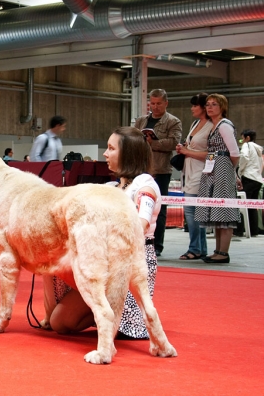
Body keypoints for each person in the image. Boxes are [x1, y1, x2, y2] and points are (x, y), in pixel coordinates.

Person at [42, 126, 160, 339]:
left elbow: (140, 226)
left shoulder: (145, 186)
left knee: (61, 322)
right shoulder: (110, 187)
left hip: (128, 268)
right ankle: (85, 313)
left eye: (111, 148)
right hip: (100, 261)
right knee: (49, 261)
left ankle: (118, 315)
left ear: (127, 154)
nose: (105, 154)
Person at [134, 89, 182, 257]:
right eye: (152, 103)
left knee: (158, 210)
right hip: (140, 169)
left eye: (158, 103)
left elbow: (174, 143)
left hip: (161, 170)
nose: (155, 107)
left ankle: (156, 245)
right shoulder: (140, 121)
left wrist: (152, 143)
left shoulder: (173, 122)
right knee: (135, 207)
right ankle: (136, 242)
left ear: (166, 103)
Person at [194, 94, 241, 264]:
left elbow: (235, 153)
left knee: (224, 211)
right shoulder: (214, 126)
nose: (210, 107)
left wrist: (231, 171)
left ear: (222, 107)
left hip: (221, 166)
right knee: (216, 210)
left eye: (214, 104)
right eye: (208, 104)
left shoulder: (224, 125)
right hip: (213, 166)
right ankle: (218, 250)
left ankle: (223, 252)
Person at [174, 93, 212, 260]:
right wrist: (183, 147)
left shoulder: (212, 126)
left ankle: (195, 248)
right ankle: (200, 248)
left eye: (195, 105)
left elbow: (211, 154)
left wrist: (187, 151)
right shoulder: (196, 123)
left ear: (203, 107)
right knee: (195, 211)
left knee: (191, 210)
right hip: (188, 171)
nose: (192, 108)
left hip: (201, 172)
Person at [237, 129, 264, 237]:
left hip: (248, 177)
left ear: (247, 138)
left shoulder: (246, 146)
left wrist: (240, 170)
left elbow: (244, 157)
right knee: (252, 207)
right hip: (257, 179)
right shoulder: (258, 149)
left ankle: (238, 231)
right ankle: (253, 231)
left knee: (241, 205)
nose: (241, 141)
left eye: (241, 139)